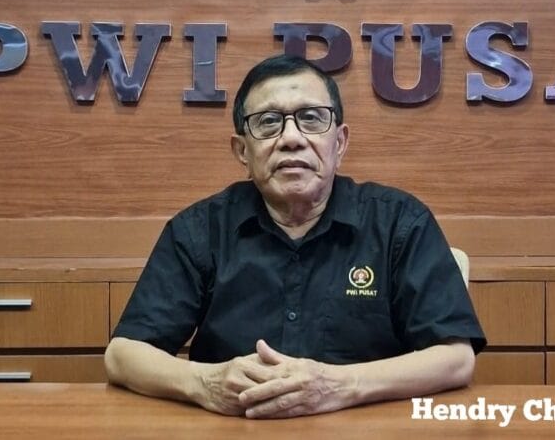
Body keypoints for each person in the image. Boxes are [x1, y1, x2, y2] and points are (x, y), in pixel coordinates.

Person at [105, 54, 486, 419]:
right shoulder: (200, 229)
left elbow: (455, 358)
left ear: (339, 143)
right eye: (269, 122)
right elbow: (123, 355)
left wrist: (339, 386)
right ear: (242, 151)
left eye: (311, 118)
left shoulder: (399, 222)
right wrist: (204, 382)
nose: (291, 138)